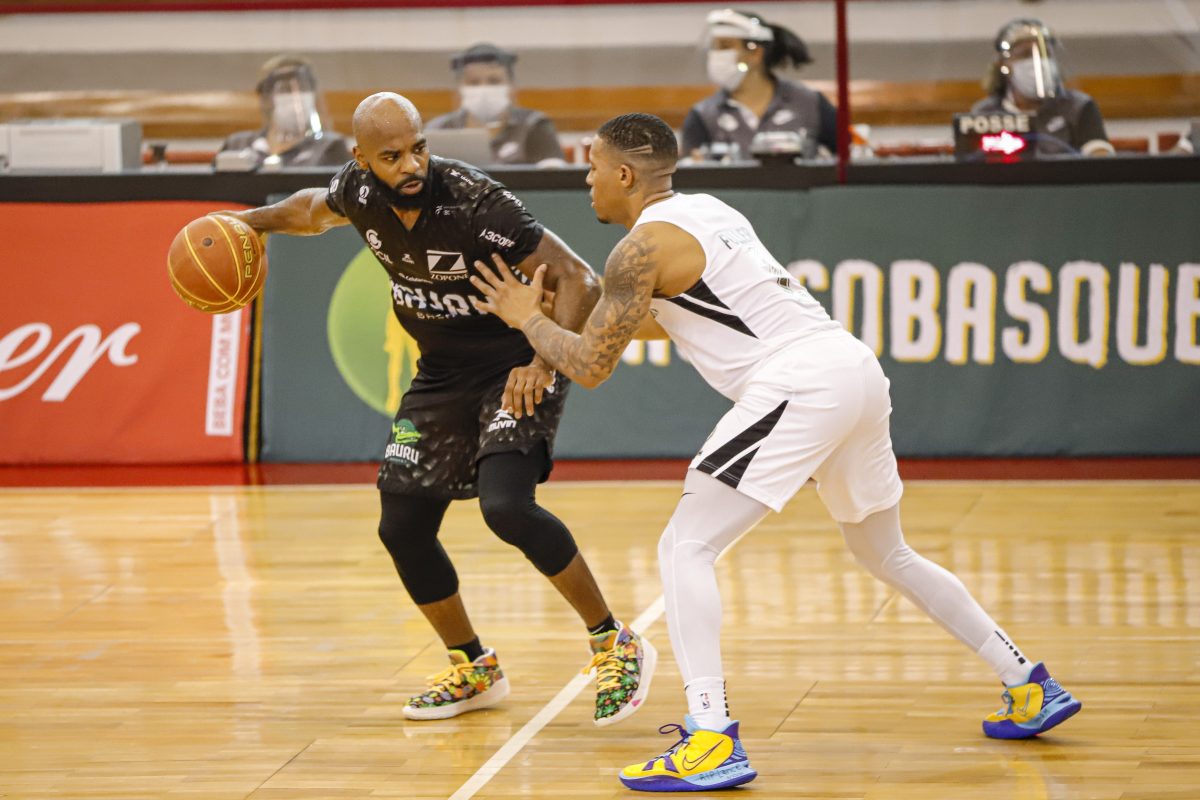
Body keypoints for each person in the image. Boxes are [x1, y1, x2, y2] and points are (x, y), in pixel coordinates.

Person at [471, 112, 1083, 792]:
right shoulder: (709, 213)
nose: (586, 180)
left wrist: (527, 318)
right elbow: (658, 322)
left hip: (800, 384)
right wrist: (554, 323)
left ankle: (711, 740)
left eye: (591, 167)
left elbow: (591, 366)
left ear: (623, 174)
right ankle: (1028, 682)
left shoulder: (638, 249)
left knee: (685, 547)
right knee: (885, 552)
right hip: (852, 369)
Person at [217, 93, 654, 725]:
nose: (411, 165)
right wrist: (247, 224)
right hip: (442, 374)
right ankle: (473, 668)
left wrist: (542, 361)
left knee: (507, 507)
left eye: (418, 148)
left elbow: (578, 277)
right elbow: (311, 209)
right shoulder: (358, 193)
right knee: (402, 527)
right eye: (392, 156)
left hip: (513, 366)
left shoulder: (475, 202)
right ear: (362, 159)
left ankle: (614, 641)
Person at [681, 9, 837, 161]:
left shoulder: (809, 103)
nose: (716, 56)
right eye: (714, 47)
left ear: (755, 53)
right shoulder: (703, 115)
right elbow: (691, 168)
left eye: (725, 46)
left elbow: (845, 158)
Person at [972, 19, 1114, 157]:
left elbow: (1100, 159)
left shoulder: (1078, 106)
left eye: (1045, 53)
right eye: (1025, 55)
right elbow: (974, 162)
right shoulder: (986, 113)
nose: (1037, 62)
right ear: (1003, 64)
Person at [426, 43, 567, 166]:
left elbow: (553, 176)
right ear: (460, 88)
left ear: (511, 85)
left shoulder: (534, 125)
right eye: (473, 82)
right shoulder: (438, 129)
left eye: (494, 81)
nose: (483, 89)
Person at [219, 55, 354, 168]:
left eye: (304, 88)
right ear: (267, 98)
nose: (296, 98)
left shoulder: (329, 147)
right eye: (284, 90)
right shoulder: (238, 145)